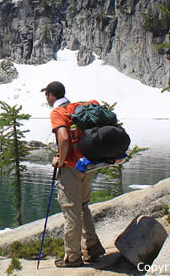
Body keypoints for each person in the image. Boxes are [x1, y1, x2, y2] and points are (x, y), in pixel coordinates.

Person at [41, 81, 105, 268]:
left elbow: (63, 138)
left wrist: (60, 159)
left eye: (46, 95)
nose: (46, 98)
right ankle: (92, 248)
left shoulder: (58, 112)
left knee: (71, 211)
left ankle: (73, 257)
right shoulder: (76, 108)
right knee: (83, 206)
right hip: (88, 165)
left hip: (71, 167)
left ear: (51, 96)